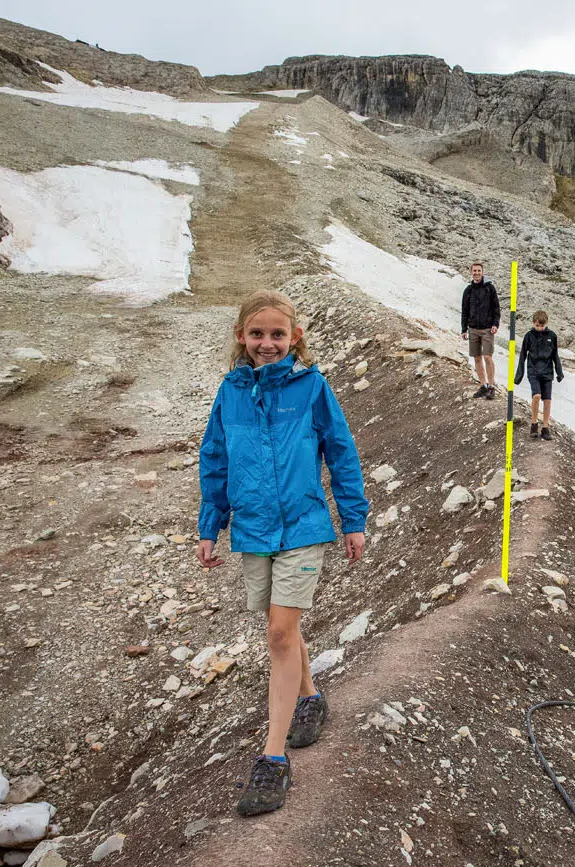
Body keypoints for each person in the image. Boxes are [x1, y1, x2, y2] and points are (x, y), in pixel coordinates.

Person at [196, 289, 369, 817]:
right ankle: (311, 697)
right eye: (257, 334)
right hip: (252, 530)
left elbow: (340, 451)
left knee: (276, 632)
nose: (267, 343)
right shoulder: (229, 392)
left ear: (294, 337)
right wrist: (211, 526)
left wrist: (352, 520)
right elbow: (215, 460)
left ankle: (273, 758)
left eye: (277, 334)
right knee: (283, 629)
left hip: (303, 527)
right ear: (241, 338)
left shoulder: (312, 387)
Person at [513, 309, 565, 440]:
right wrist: (519, 375)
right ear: (533, 323)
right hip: (533, 371)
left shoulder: (552, 336)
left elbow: (555, 355)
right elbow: (523, 355)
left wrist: (559, 372)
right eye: (537, 325)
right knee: (536, 396)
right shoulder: (528, 336)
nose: (540, 328)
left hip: (547, 372)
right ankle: (534, 424)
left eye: (542, 326)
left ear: (546, 323)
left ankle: (545, 427)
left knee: (547, 400)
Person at [460, 262, 501, 400]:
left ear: (482, 272)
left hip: (487, 328)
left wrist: (496, 324)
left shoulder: (490, 288)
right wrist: (463, 329)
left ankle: (491, 386)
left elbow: (496, 307)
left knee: (487, 357)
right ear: (471, 272)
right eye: (474, 270)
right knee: (477, 358)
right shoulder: (468, 290)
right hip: (473, 329)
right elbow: (464, 310)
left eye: (479, 270)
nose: (477, 273)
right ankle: (483, 385)